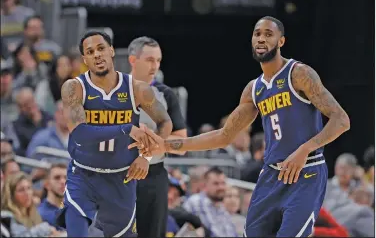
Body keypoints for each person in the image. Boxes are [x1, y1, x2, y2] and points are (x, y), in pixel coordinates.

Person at [132, 16, 351, 237]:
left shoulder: (299, 74)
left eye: (268, 34)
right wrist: (164, 145)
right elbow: (224, 136)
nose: (261, 39)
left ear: (281, 41)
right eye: (257, 34)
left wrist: (305, 149)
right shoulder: (254, 89)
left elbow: (341, 120)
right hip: (272, 175)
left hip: (306, 172)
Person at [56, 31, 173, 237]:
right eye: (90, 52)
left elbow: (165, 122)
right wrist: (126, 129)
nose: (97, 55)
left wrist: (146, 157)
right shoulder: (74, 87)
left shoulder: (137, 89)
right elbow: (80, 134)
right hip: (84, 176)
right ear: (85, 59)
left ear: (111, 51)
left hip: (122, 178)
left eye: (101, 48)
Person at [127, 36, 187, 238]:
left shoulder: (165, 94)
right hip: (119, 174)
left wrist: (153, 141)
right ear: (133, 60)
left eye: (159, 60)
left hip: (153, 176)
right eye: (150, 60)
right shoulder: (116, 90)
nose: (155, 66)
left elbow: (182, 141)